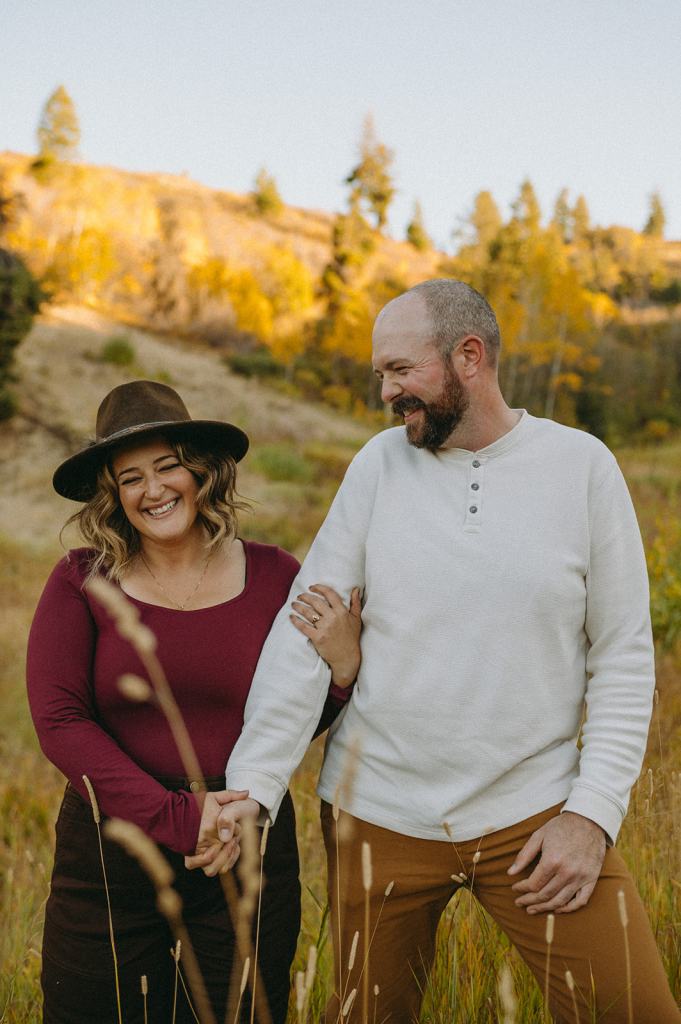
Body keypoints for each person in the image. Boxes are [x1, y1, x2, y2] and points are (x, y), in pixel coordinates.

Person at [196, 281, 680, 1022]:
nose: (386, 393)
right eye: (379, 376)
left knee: (635, 1011)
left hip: (533, 814)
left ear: (468, 356)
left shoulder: (582, 468)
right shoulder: (377, 468)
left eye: (398, 371)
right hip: (377, 813)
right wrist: (255, 783)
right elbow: (307, 630)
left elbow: (620, 657)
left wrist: (591, 815)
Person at [26, 380, 361, 1024]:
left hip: (245, 841)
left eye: (168, 467)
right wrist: (181, 817)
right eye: (130, 479)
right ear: (113, 495)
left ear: (202, 472)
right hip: (112, 850)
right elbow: (60, 722)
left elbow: (289, 714)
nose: (152, 491)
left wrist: (342, 672)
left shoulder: (273, 577)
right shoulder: (81, 580)